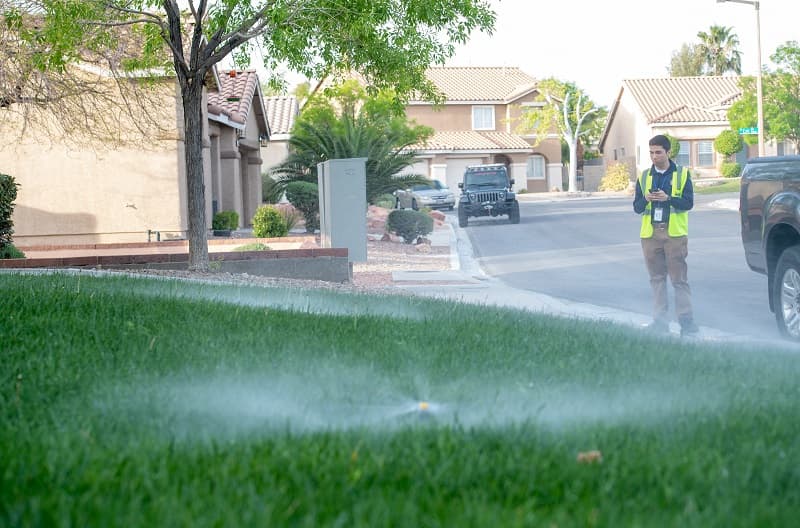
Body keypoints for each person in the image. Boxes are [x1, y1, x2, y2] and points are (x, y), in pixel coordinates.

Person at [633, 134, 700, 337]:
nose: (654, 156)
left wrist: (668, 198)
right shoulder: (644, 176)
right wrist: (645, 199)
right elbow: (637, 208)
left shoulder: (681, 174)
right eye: (651, 152)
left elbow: (688, 203)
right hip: (650, 234)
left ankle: (687, 323)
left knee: (679, 280)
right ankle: (660, 321)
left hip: (674, 234)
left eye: (658, 152)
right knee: (657, 279)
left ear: (668, 152)